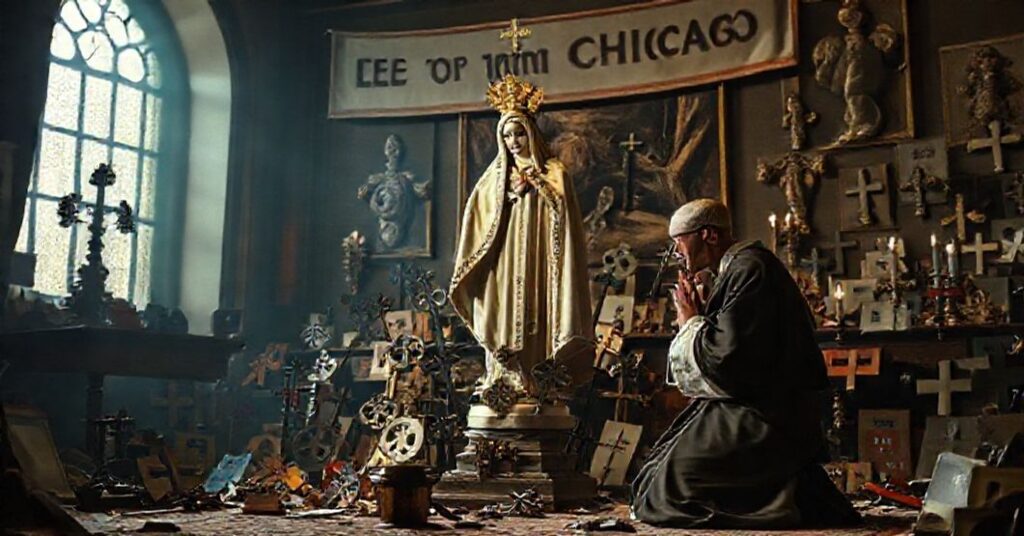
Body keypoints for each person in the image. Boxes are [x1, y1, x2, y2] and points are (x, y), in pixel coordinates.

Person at [630, 198, 860, 529]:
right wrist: (700, 315)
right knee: (656, 472)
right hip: (749, 403)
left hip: (770, 414)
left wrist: (691, 321)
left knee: (674, 488)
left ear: (707, 235)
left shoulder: (750, 269)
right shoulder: (737, 269)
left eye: (679, 241)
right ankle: (786, 494)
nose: (676, 253)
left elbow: (728, 361)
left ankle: (788, 502)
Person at [450, 75, 593, 399]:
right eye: (507, 135)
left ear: (531, 133)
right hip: (503, 266)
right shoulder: (492, 181)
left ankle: (539, 383)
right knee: (502, 319)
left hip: (541, 265)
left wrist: (537, 185)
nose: (514, 141)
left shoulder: (555, 173)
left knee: (539, 322)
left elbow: (565, 218)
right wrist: (506, 194)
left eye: (519, 133)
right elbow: (479, 224)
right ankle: (504, 379)